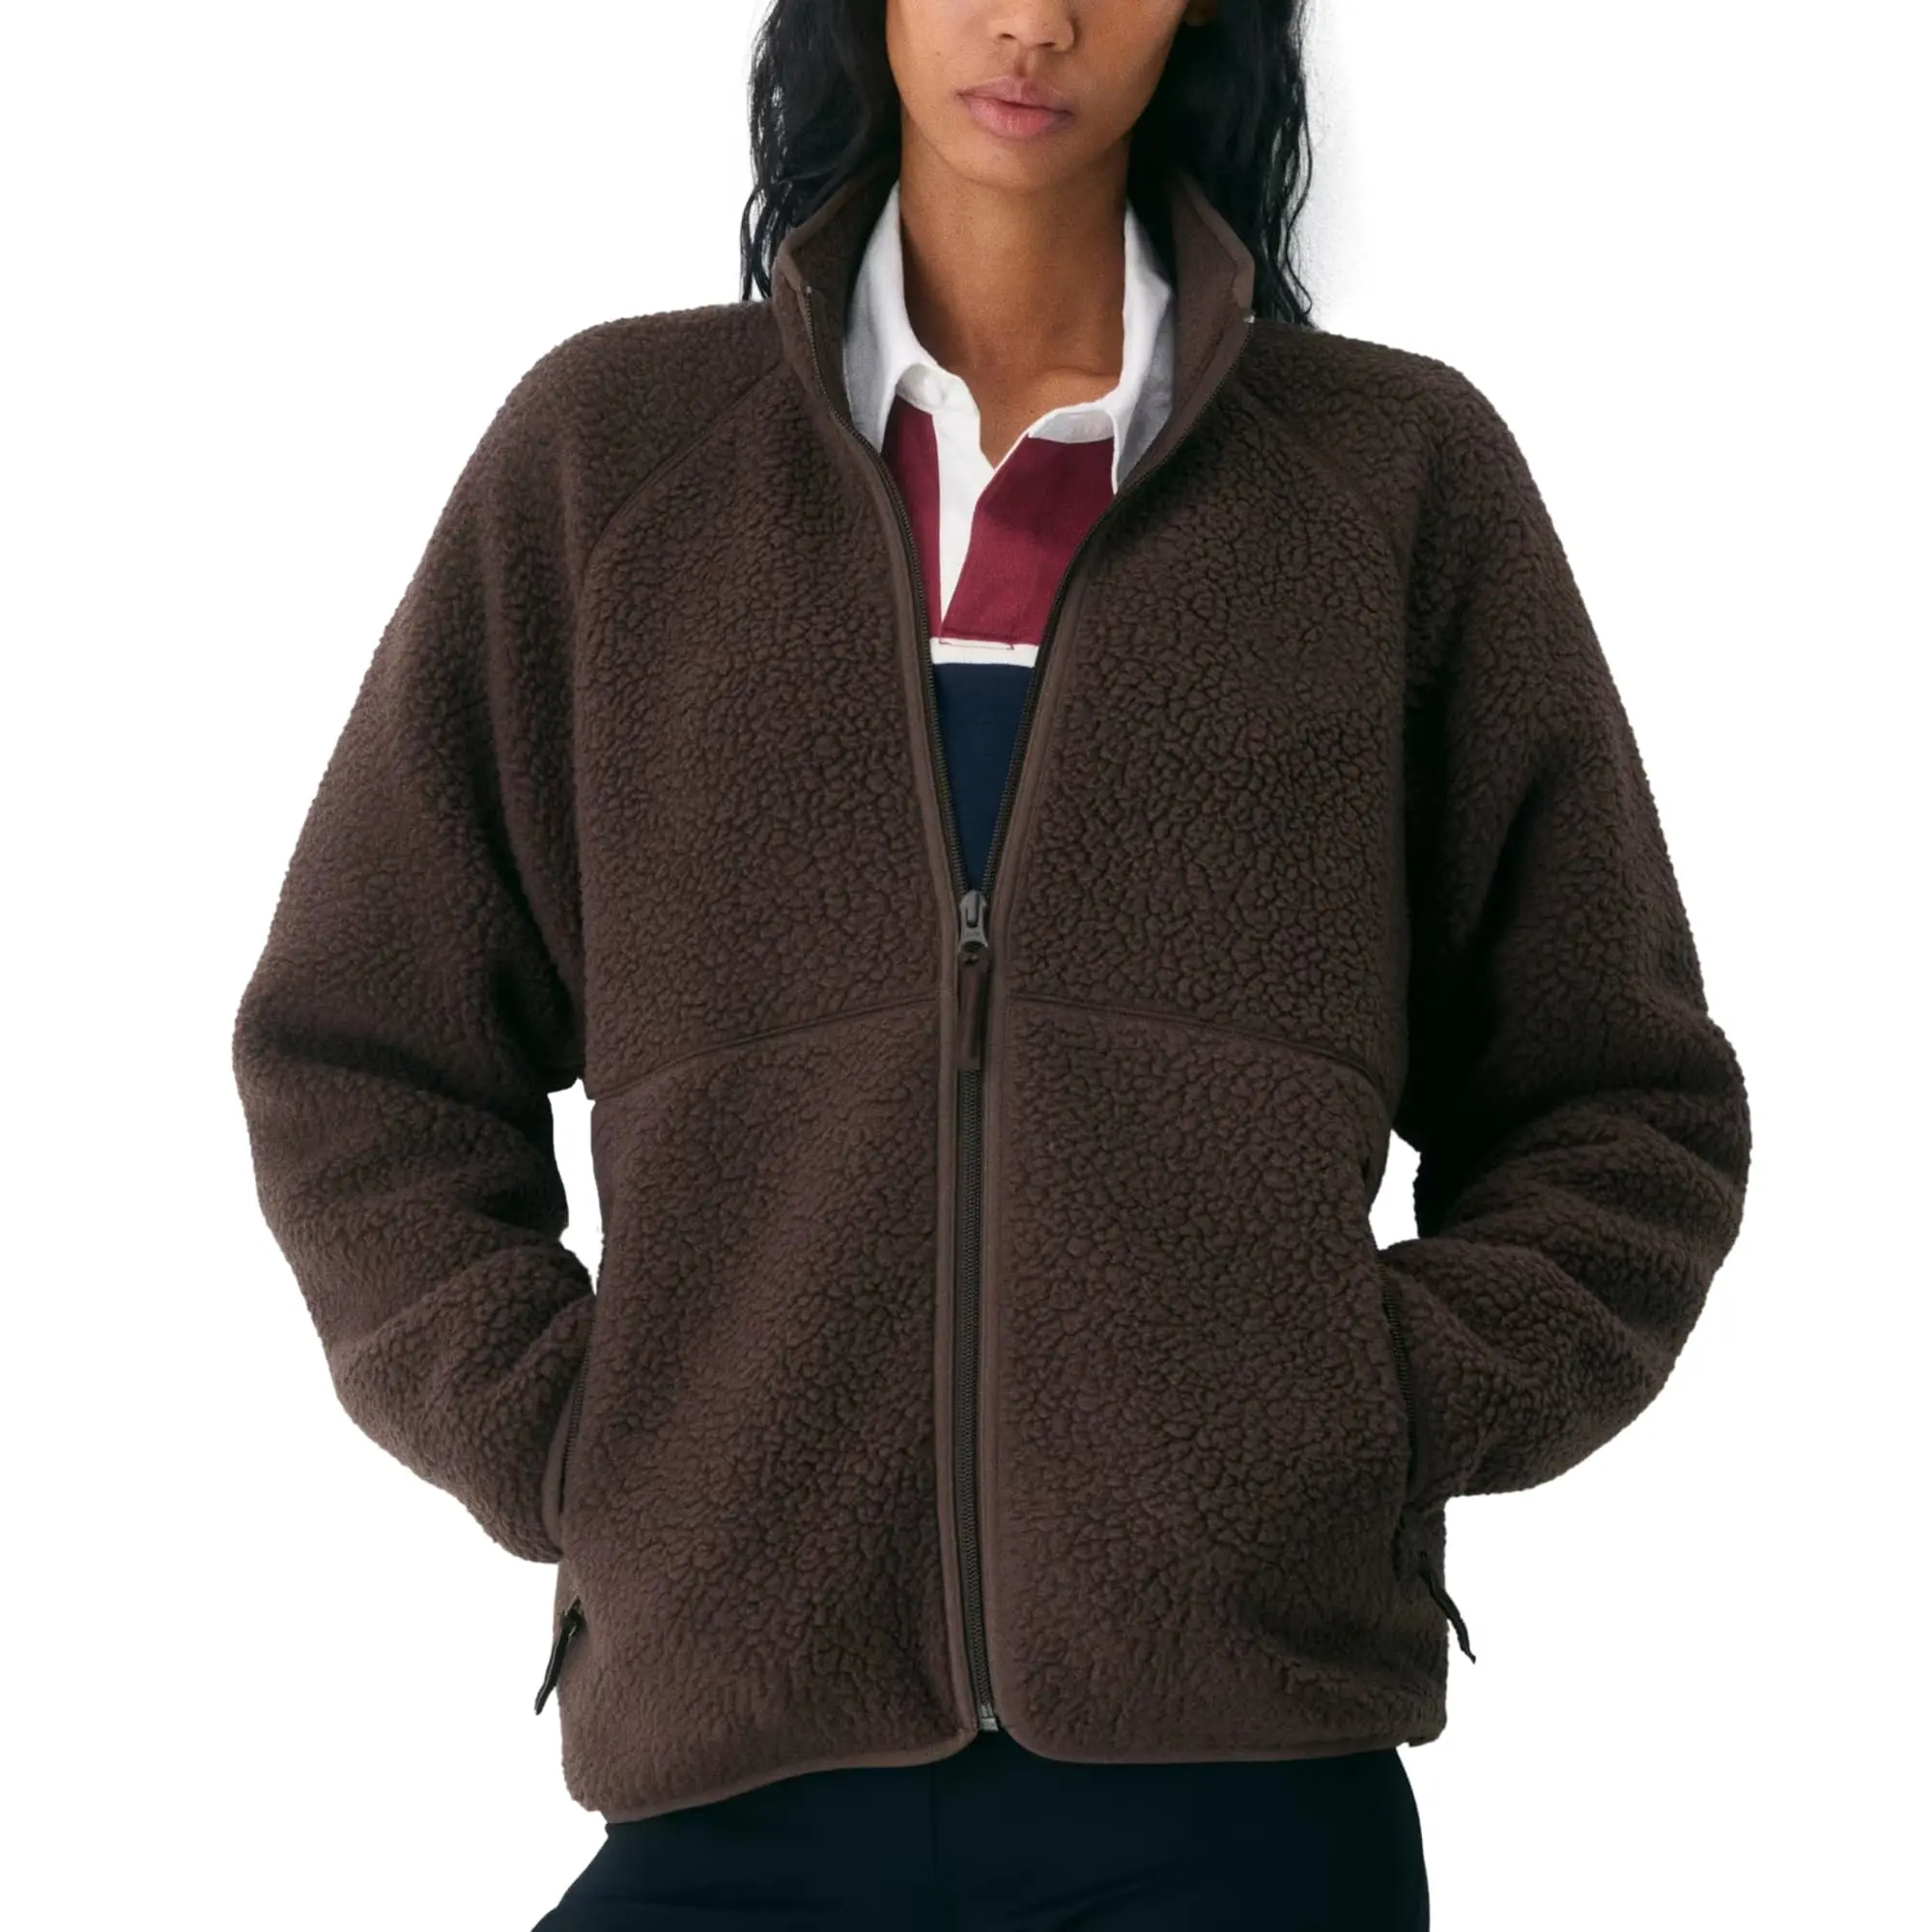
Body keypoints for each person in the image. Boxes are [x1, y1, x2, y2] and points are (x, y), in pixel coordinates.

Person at [229, 2, 1753, 1926]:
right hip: (737, 1773)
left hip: (1249, 1798)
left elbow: (1621, 1104)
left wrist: (1356, 1413)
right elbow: (362, 1053)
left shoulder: (1389, 484)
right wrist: (594, 1444)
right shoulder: (615, 464)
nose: (1032, 18)